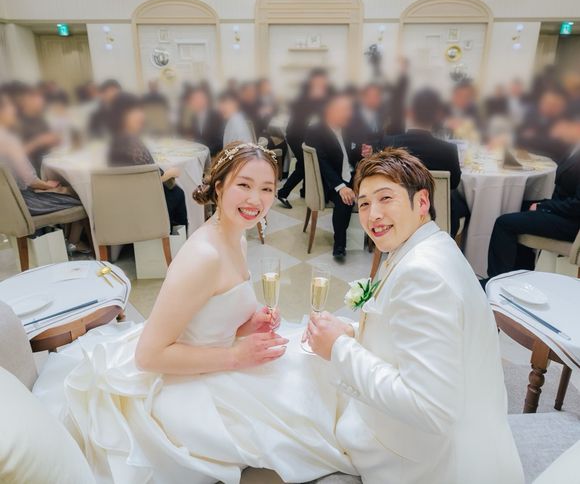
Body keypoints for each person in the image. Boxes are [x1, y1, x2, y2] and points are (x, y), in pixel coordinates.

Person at [33, 142, 356, 483]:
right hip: (183, 380)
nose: (256, 199)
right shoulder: (203, 256)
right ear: (219, 187)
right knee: (306, 414)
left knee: (317, 379)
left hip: (214, 358)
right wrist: (235, 356)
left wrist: (247, 324)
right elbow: (148, 355)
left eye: (266, 188)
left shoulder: (236, 237)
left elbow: (209, 315)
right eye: (244, 185)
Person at [305, 148, 524, 484]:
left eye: (386, 198)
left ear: (422, 202)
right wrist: (352, 334)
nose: (373, 215)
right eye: (364, 204)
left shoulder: (424, 275)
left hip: (427, 465)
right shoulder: (427, 244)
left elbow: (430, 408)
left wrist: (339, 348)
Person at [487, 115, 580, 279]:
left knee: (503, 223)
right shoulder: (574, 146)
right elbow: (548, 148)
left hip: (571, 223)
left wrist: (543, 206)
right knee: (518, 205)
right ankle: (520, 275)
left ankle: (496, 280)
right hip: (563, 210)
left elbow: (577, 206)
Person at [382, 88, 467, 238]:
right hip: (437, 217)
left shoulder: (389, 143)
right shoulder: (448, 150)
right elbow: (453, 183)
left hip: (399, 214)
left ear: (408, 113)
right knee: (462, 204)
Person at [108, 94, 188, 231]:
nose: (141, 116)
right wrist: (170, 174)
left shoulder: (118, 140)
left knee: (176, 192)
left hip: (128, 203)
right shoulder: (130, 143)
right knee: (178, 192)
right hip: (145, 205)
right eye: (135, 112)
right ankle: (175, 239)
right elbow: (146, 182)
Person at [0, 91, 85, 220]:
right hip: (23, 205)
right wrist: (50, 186)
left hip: (5, 207)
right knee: (84, 197)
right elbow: (31, 181)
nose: (14, 110)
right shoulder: (8, 139)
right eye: (10, 107)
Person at [305, 91, 369, 261]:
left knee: (374, 190)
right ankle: (339, 244)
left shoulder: (346, 128)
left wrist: (363, 153)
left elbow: (349, 155)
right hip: (330, 180)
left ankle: (372, 238)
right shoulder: (315, 130)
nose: (349, 114)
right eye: (344, 110)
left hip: (350, 173)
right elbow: (322, 162)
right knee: (345, 200)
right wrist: (341, 187)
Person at [277, 68, 330, 208]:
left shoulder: (313, 96)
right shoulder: (306, 96)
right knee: (305, 165)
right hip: (296, 135)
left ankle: (304, 191)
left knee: (303, 163)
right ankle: (282, 193)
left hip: (301, 134)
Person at [16, 85, 61, 174]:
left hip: (49, 163)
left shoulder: (40, 120)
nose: (42, 102)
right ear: (26, 101)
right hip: (33, 172)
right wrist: (39, 141)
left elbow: (50, 143)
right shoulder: (18, 123)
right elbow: (16, 154)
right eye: (37, 99)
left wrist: (54, 139)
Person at [184, 85, 224, 157]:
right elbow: (198, 139)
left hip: (213, 156)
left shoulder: (215, 116)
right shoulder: (194, 118)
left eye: (199, 99)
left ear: (205, 100)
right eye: (193, 100)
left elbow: (220, 142)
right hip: (199, 154)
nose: (196, 102)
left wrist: (203, 152)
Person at [347, 83, 384, 151]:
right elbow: (351, 145)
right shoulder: (351, 117)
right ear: (363, 97)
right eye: (371, 96)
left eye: (377, 96)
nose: (374, 99)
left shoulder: (381, 114)